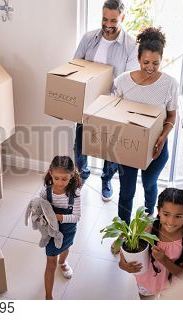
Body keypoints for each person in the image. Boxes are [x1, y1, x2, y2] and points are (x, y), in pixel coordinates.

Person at [73, 0, 139, 201]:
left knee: (110, 147)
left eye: (113, 20)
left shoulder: (131, 45)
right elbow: (75, 66)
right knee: (80, 143)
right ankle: (81, 176)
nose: (108, 24)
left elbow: (128, 80)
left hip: (112, 104)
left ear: (122, 18)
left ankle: (106, 179)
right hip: (86, 102)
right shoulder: (88, 38)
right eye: (104, 19)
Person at [114, 26, 178, 225]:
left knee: (150, 185)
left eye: (156, 63)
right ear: (138, 58)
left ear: (162, 60)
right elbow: (114, 112)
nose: (150, 67)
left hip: (157, 147)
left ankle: (150, 217)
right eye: (146, 62)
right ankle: (123, 230)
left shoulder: (170, 84)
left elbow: (172, 116)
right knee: (126, 191)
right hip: (129, 147)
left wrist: (163, 137)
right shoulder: (123, 81)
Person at [119, 188, 183, 299]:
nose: (171, 222)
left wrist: (164, 260)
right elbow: (126, 253)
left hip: (173, 288)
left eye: (178, 216)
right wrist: (123, 265)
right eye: (166, 214)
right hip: (146, 283)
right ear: (159, 211)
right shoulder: (146, 228)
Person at [40, 156, 82, 300]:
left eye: (64, 179)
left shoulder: (75, 194)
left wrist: (58, 217)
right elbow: (40, 209)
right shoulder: (46, 192)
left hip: (68, 229)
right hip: (52, 231)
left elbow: (76, 217)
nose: (59, 183)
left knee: (65, 248)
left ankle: (63, 262)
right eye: (56, 178)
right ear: (50, 173)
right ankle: (48, 296)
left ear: (71, 176)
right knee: (50, 262)